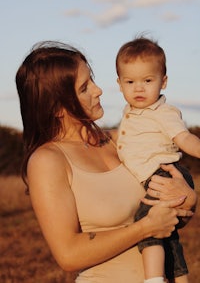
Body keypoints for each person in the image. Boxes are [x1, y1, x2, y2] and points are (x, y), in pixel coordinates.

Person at [15, 41, 197, 283]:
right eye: (84, 88)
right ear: (58, 107)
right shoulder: (48, 161)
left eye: (91, 79)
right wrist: (144, 229)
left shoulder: (122, 141)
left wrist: (190, 199)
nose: (98, 90)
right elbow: (68, 255)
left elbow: (167, 221)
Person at [116, 36, 200, 283]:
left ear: (163, 82)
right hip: (155, 177)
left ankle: (153, 279)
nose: (139, 88)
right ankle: (179, 278)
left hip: (164, 174)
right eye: (130, 81)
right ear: (119, 84)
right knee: (168, 234)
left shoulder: (164, 113)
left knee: (147, 223)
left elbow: (184, 139)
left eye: (148, 80)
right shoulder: (130, 112)